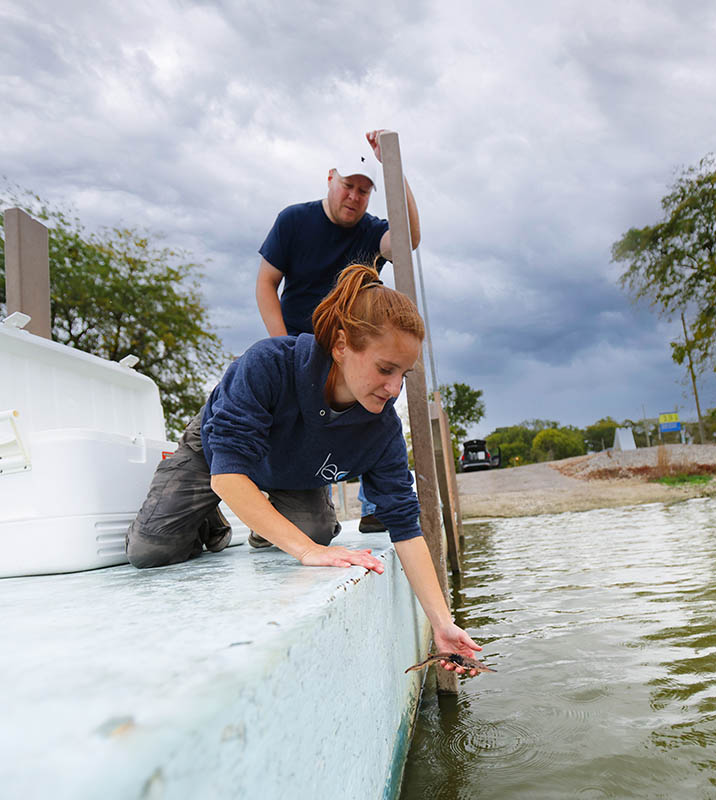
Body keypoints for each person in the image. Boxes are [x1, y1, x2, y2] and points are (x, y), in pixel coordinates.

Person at [126, 264, 481, 675]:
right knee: (150, 550)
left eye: (404, 374)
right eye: (386, 369)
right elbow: (227, 475)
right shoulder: (268, 363)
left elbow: (406, 526)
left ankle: (263, 522)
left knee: (314, 533)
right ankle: (213, 521)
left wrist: (441, 623)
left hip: (296, 472)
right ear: (343, 345)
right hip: (218, 455)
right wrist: (307, 551)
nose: (394, 389)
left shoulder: (382, 428)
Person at [255, 129, 421, 534]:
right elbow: (265, 283)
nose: (355, 197)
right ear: (331, 178)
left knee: (376, 400)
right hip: (301, 347)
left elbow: (408, 240)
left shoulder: (370, 231)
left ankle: (376, 504)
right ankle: (278, 502)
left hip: (358, 348)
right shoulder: (294, 220)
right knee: (299, 424)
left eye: (365, 191)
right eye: (349, 186)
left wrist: (392, 168)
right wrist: (283, 344)